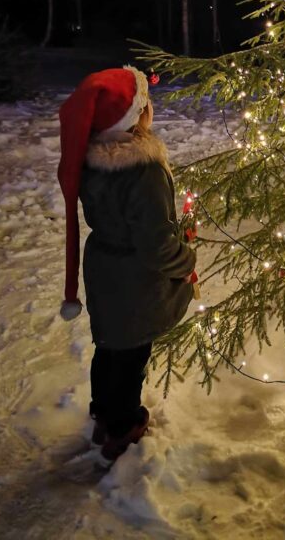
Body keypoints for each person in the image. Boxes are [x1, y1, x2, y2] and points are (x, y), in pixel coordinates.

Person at [57, 66, 196, 466]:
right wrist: (185, 261)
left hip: (104, 268)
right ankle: (123, 428)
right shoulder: (143, 170)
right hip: (135, 280)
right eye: (144, 102)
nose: (150, 107)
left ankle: (103, 411)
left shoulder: (91, 158)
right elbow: (156, 246)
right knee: (131, 355)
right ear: (133, 117)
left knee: (109, 347)